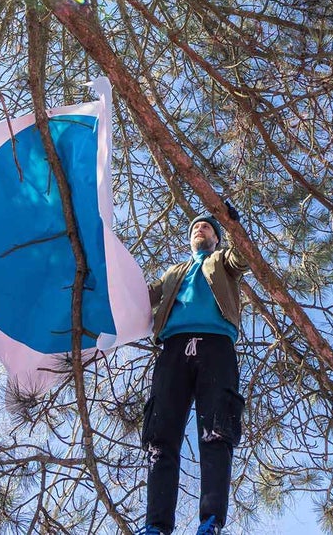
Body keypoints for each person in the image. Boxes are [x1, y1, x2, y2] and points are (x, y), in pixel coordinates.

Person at [140, 213, 249, 535]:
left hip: (216, 346)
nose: (200, 229)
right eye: (196, 227)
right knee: (160, 435)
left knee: (217, 430)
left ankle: (211, 521)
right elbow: (138, 298)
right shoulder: (173, 272)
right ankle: (156, 526)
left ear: (216, 239)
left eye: (208, 227)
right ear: (190, 239)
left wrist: (234, 226)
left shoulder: (223, 261)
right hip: (173, 348)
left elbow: (244, 256)